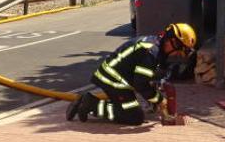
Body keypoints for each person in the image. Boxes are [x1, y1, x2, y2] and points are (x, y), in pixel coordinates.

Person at [66, 23, 197, 126]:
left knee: (130, 109)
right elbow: (141, 83)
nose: (177, 55)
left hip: (119, 80)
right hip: (113, 80)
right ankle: (91, 104)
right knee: (134, 117)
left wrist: (155, 100)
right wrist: (160, 100)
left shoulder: (156, 47)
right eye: (180, 51)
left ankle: (87, 102)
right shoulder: (151, 53)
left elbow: (148, 79)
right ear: (173, 42)